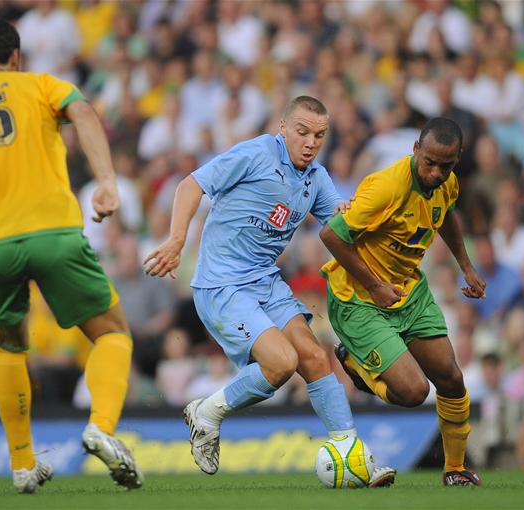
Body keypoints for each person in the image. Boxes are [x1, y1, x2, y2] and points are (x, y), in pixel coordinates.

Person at [0, 18, 142, 493]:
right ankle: (100, 425)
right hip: (53, 231)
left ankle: (21, 464)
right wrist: (106, 182)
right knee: (112, 332)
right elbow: (85, 114)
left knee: (10, 343)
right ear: (16, 56)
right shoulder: (42, 86)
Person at [144, 95, 394, 486]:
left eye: (320, 135)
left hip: (265, 281)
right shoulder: (256, 154)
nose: (311, 142)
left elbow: (343, 235)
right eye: (303, 132)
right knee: (281, 363)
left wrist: (380, 275)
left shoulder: (316, 178)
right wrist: (176, 241)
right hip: (222, 284)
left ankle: (352, 456)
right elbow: (190, 185)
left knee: (313, 355)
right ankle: (206, 413)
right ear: (283, 127)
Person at [319, 118, 486, 486]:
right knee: (413, 392)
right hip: (359, 298)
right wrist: (376, 286)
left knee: (452, 377)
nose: (437, 172)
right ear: (415, 149)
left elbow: (446, 215)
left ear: (457, 160)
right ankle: (358, 370)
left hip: (408, 292)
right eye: (430, 162)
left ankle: (455, 470)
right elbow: (331, 235)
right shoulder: (386, 187)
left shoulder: (446, 183)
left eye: (447, 165)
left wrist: (466, 266)